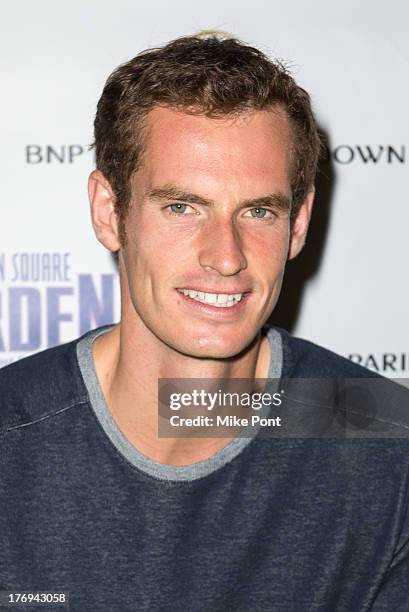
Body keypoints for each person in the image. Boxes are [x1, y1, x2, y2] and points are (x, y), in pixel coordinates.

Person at [1, 33, 408, 612]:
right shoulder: (12, 444)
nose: (226, 256)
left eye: (259, 210)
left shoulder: (389, 449)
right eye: (182, 207)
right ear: (108, 213)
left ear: (298, 224)